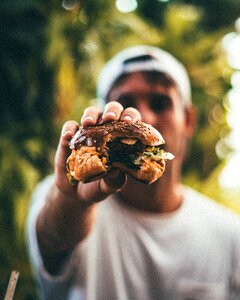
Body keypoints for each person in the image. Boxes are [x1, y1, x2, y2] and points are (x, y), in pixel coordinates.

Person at [26, 45, 240, 300]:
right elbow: (53, 240)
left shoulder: (229, 237)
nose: (144, 118)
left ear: (188, 120)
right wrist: (71, 200)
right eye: (125, 103)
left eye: (160, 103)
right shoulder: (63, 198)